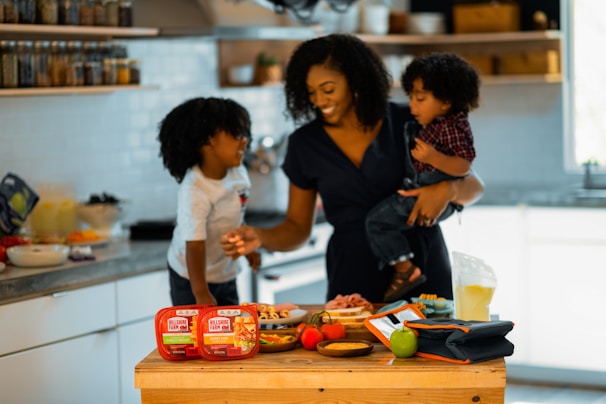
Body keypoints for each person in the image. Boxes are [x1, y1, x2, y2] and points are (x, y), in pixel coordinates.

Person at [220, 34, 484, 304]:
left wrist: (447, 189)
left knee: (427, 345)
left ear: (355, 81)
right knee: (350, 345)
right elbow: (297, 227)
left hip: (423, 267)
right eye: (311, 92)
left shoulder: (409, 120)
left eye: (328, 89)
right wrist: (260, 236)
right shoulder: (304, 144)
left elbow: (474, 186)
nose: (319, 100)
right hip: (352, 273)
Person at [365, 52, 480, 302]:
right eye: (411, 98)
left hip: (426, 227)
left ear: (446, 100)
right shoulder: (427, 120)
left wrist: (443, 183)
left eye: (419, 98)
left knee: (377, 222)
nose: (413, 106)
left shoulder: (449, 126)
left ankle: (405, 271)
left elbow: (469, 173)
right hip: (359, 269)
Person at [158, 97, 260, 307]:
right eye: (237, 134)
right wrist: (200, 291)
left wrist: (246, 248)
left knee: (232, 333)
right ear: (209, 140)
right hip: (190, 278)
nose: (245, 141)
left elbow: (234, 215)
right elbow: (194, 246)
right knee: (197, 336)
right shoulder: (195, 190)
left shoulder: (238, 173)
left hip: (224, 272)